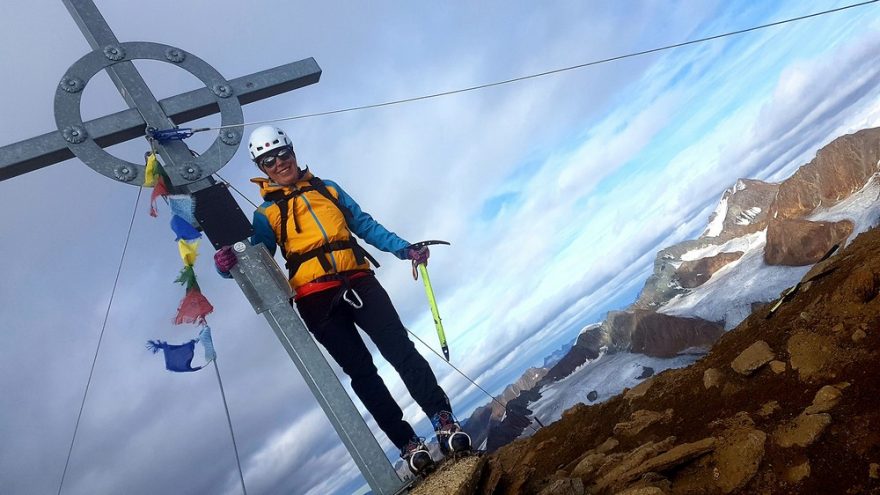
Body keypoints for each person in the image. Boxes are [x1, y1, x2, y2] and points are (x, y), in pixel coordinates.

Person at [214, 125, 468, 472]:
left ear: (292, 151)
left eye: (282, 154)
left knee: (401, 352)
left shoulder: (328, 189)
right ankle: (407, 443)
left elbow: (364, 224)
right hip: (314, 299)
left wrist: (404, 248)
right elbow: (257, 258)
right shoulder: (265, 215)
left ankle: (444, 423)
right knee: (362, 373)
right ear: (261, 169)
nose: (279, 163)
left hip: (359, 280)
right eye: (268, 160)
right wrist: (228, 267)